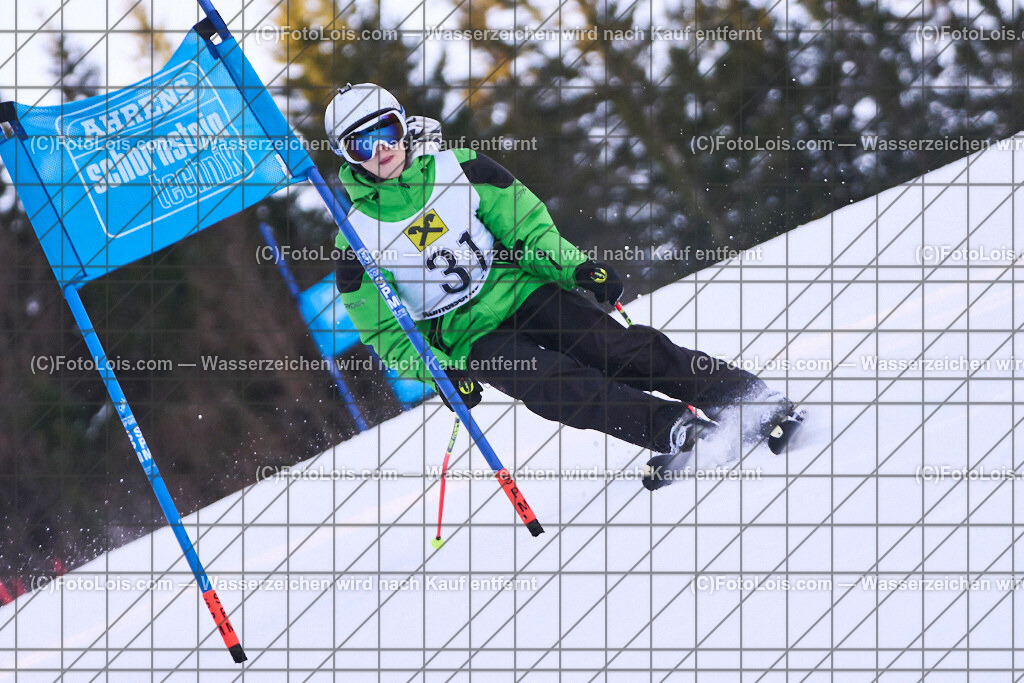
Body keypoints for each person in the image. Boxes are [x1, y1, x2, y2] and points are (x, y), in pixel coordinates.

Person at [324, 83, 795, 470]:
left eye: (386, 130)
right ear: (347, 156)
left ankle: (743, 397)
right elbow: (386, 332)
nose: (381, 149)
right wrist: (441, 375)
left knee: (616, 349)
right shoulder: (355, 239)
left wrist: (576, 269)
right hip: (469, 338)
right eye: (362, 143)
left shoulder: (461, 167)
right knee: (558, 385)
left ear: (404, 125)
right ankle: (671, 428)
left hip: (523, 289)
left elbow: (526, 228)